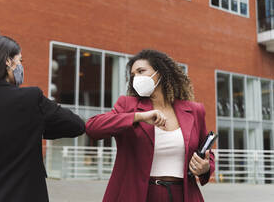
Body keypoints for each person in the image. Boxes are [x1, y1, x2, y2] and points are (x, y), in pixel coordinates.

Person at [0, 35, 85, 202]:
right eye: (20, 60)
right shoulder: (30, 98)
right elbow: (76, 125)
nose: (21, 66)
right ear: (8, 62)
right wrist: (34, 128)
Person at [86, 49, 215, 202]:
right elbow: (92, 127)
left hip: (183, 194)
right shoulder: (127, 105)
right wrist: (138, 117)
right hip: (139, 194)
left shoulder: (194, 110)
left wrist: (205, 167)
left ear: (160, 73)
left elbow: (207, 154)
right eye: (133, 75)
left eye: (141, 71)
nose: (136, 78)